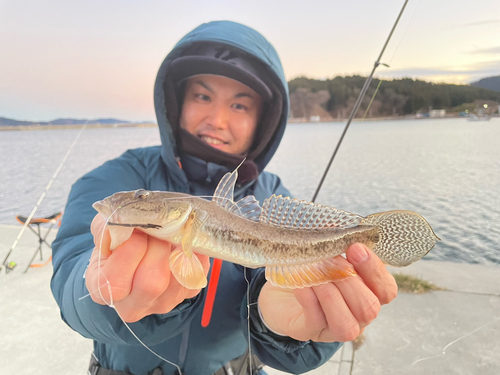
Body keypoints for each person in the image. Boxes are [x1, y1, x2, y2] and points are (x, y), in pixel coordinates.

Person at [50, 20, 397, 375]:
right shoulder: (117, 175)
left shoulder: (272, 195)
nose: (216, 119)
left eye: (240, 105)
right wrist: (103, 290)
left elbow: (295, 319)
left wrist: (288, 327)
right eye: (203, 96)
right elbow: (71, 269)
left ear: (264, 120)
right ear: (177, 100)